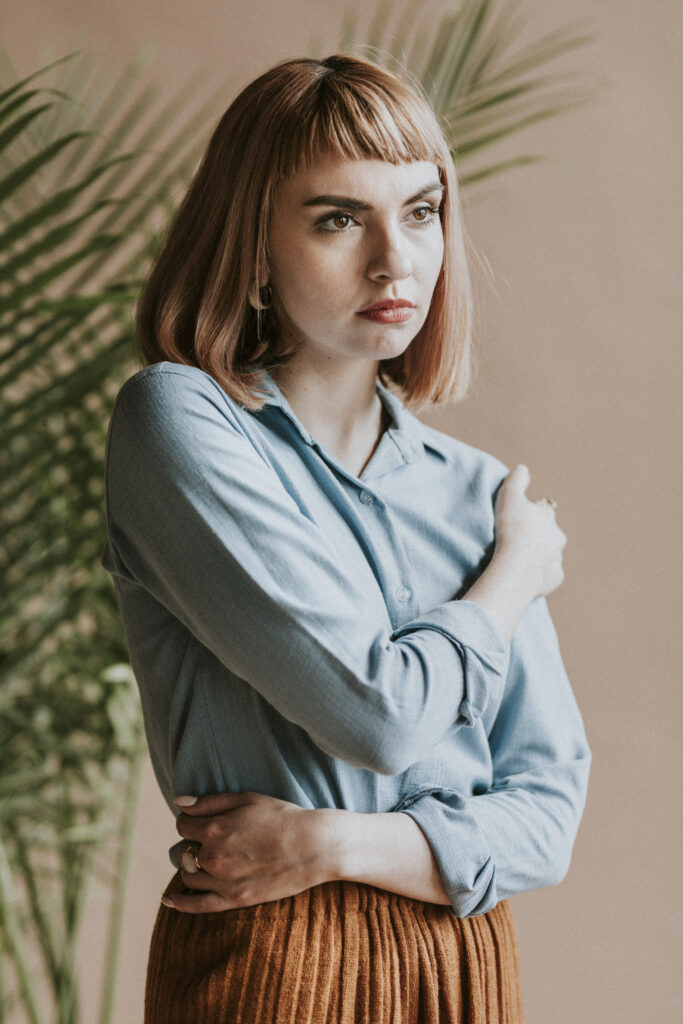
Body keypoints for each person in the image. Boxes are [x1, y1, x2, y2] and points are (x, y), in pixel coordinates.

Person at [101, 53, 591, 1024]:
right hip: (267, 950)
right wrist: (505, 584)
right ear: (252, 242)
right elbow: (378, 716)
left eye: (418, 212)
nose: (392, 259)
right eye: (336, 218)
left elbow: (546, 815)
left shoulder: (475, 492)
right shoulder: (180, 422)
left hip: (459, 958)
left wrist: (329, 843)